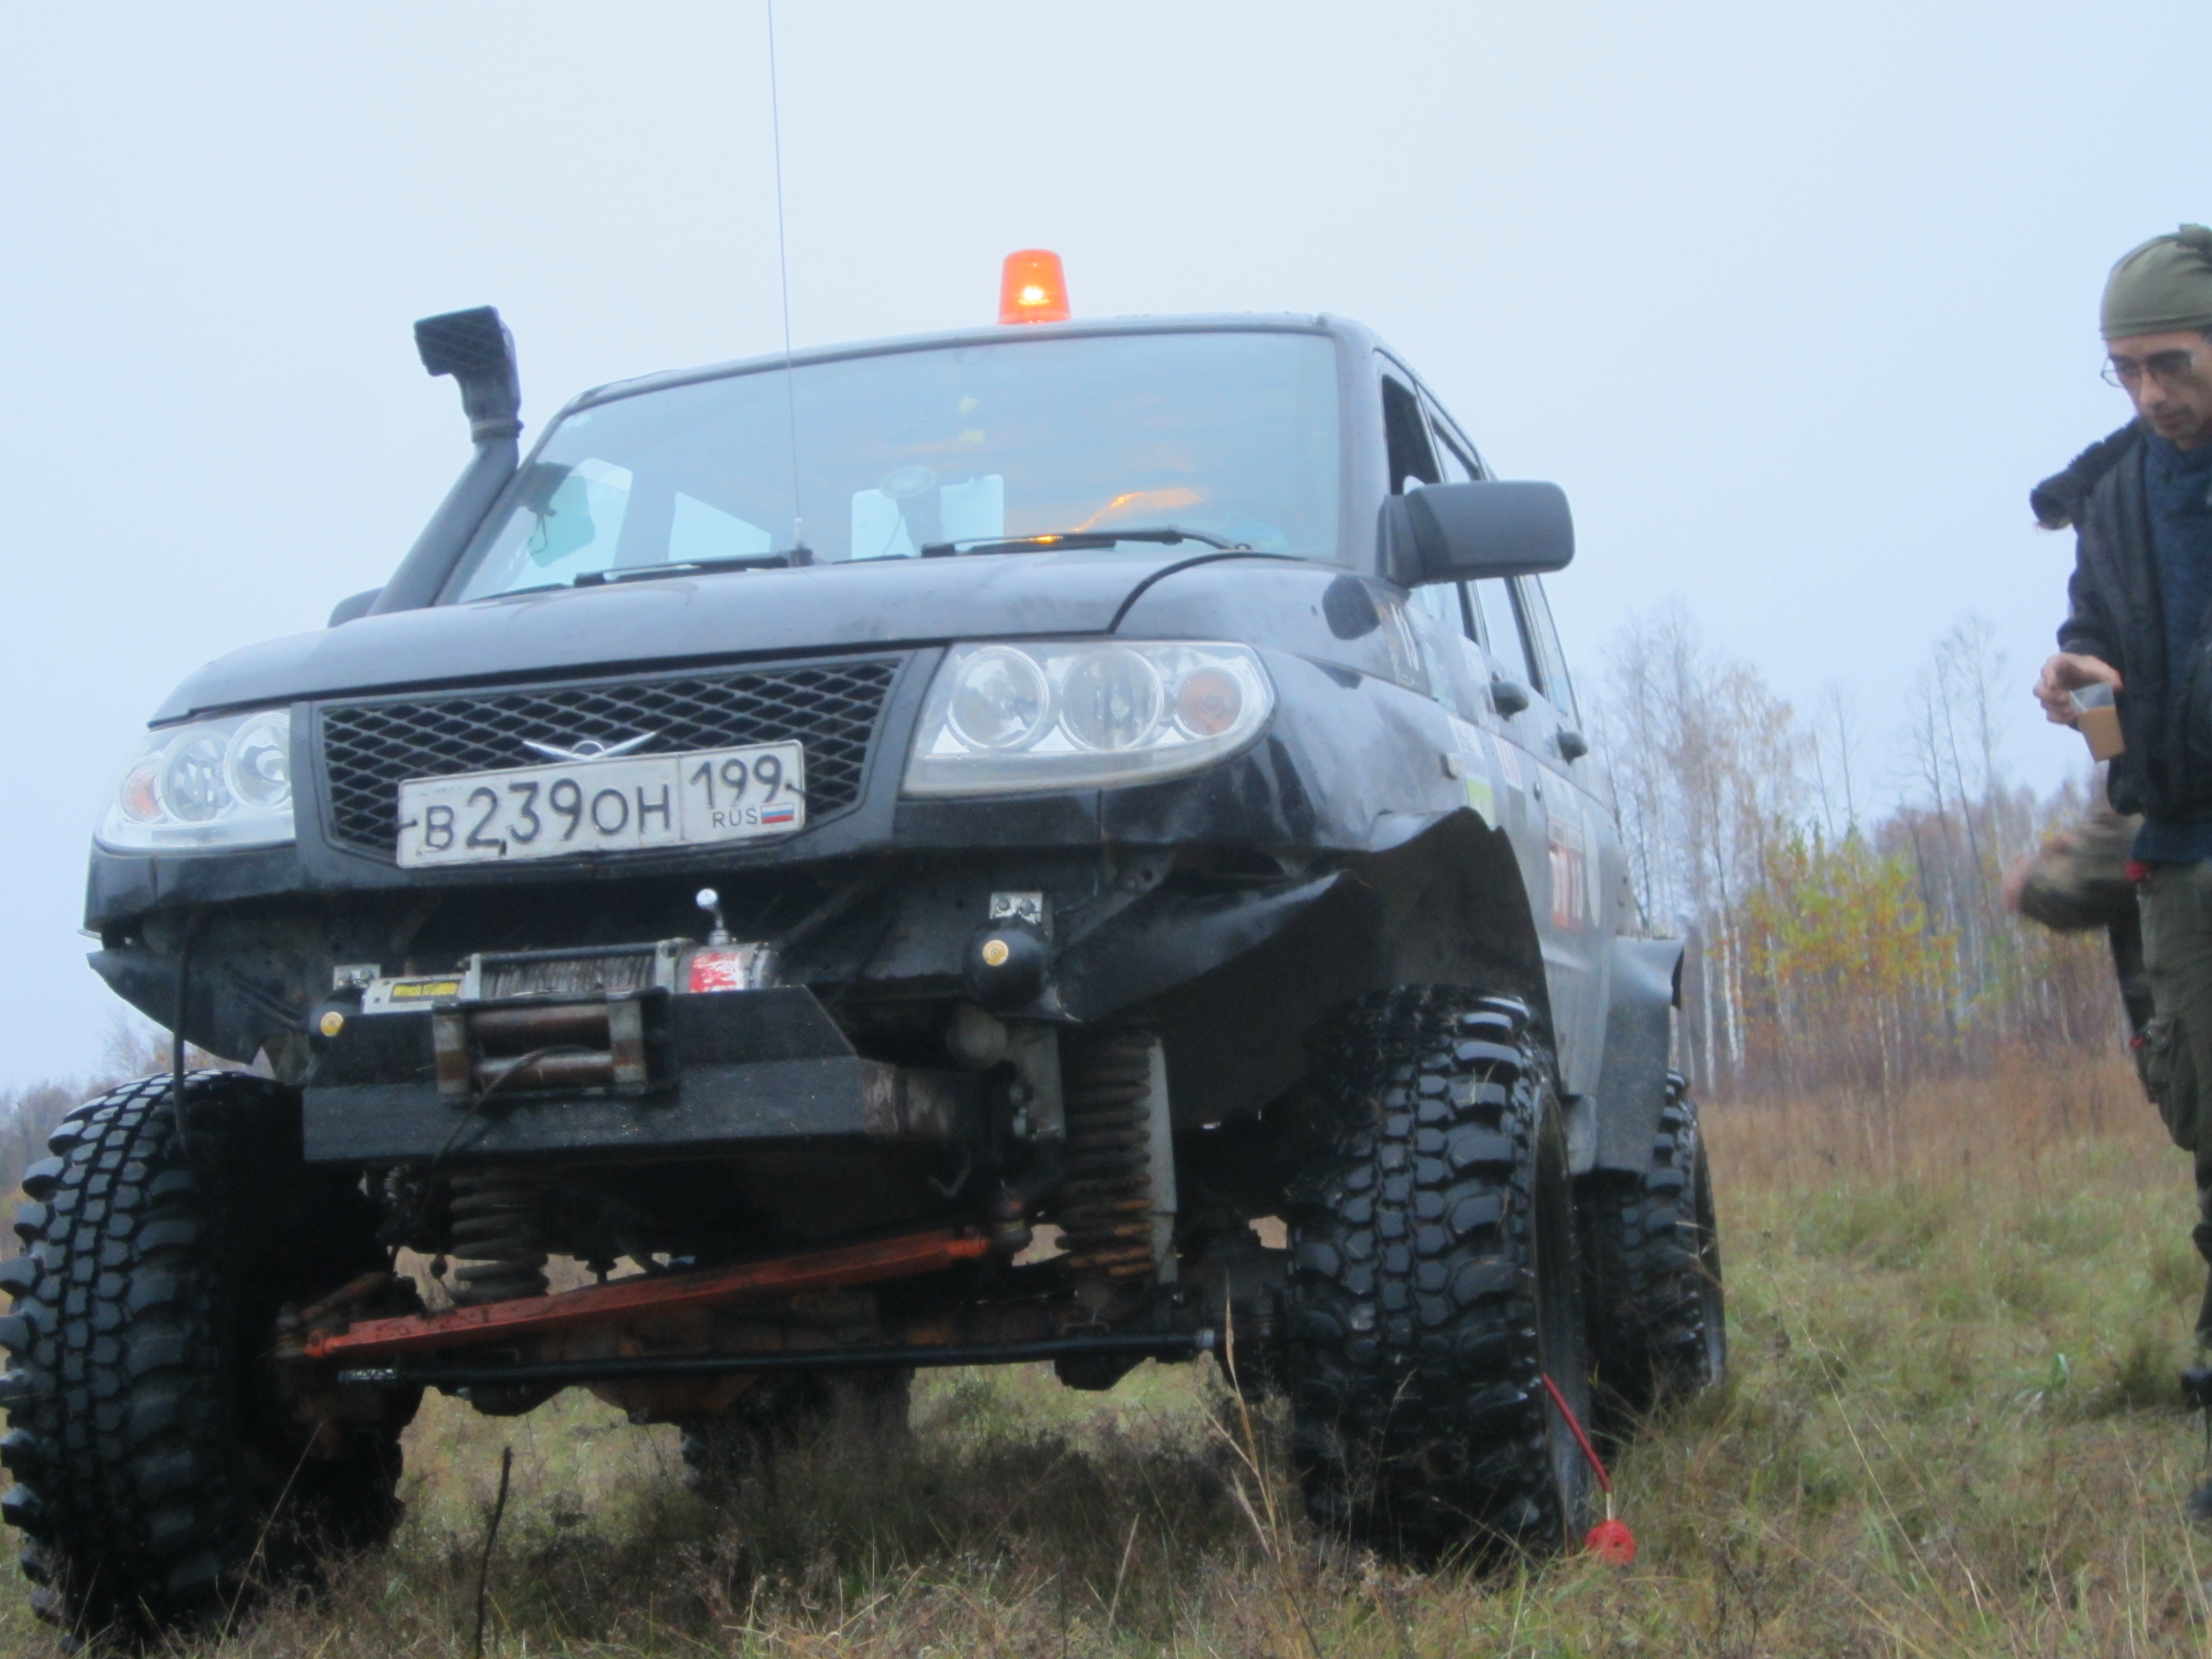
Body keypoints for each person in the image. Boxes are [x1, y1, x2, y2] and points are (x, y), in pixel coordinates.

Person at [2035, 226, 2212, 1390]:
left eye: (2170, 365)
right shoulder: (2114, 497)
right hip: (2179, 857)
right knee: (2204, 1118)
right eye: (2127, 372)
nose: (2149, 395)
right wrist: (2078, 678)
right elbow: (2095, 632)